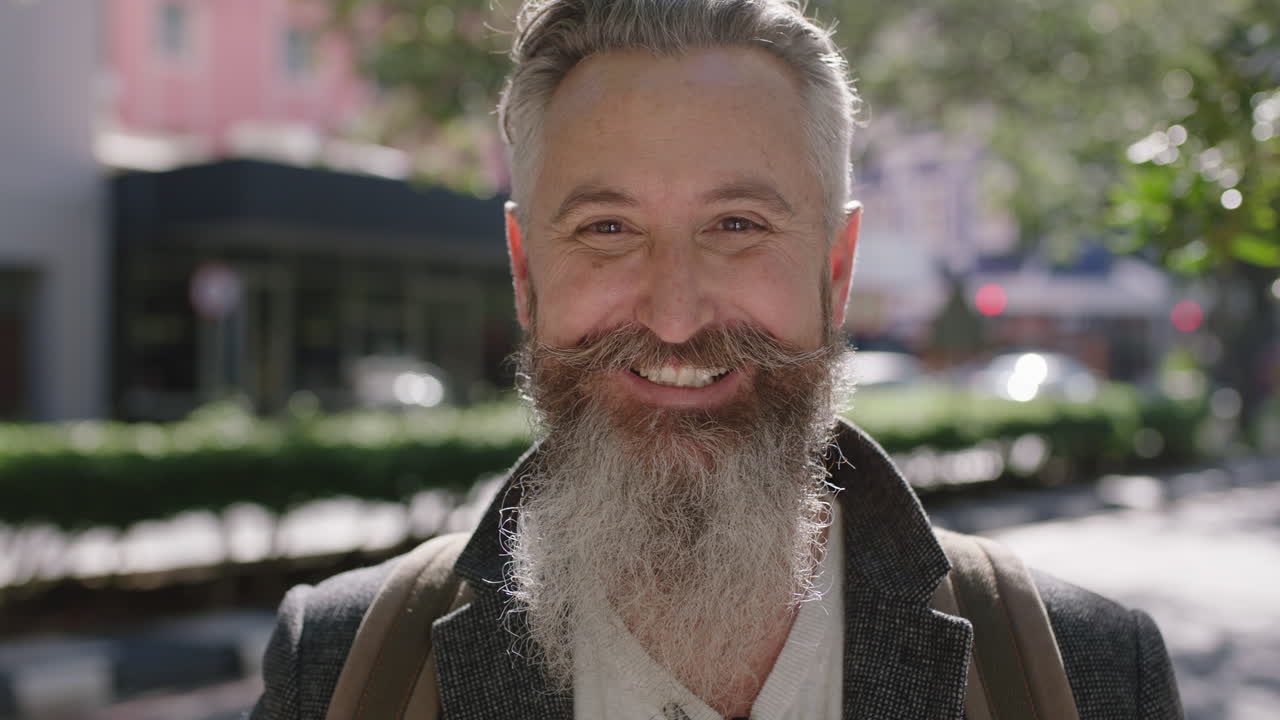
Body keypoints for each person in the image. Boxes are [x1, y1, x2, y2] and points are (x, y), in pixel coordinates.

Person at [250, 0, 1183, 718]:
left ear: (836, 270)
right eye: (607, 229)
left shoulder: (1082, 675)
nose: (673, 316)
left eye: (737, 226)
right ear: (526, 274)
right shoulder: (344, 672)